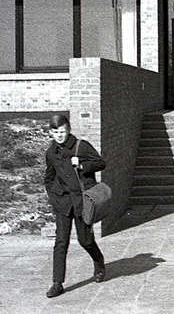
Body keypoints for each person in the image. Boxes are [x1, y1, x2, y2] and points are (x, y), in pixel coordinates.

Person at [43, 114, 106, 298]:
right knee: (61, 242)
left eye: (62, 131)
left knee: (85, 240)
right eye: (55, 132)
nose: (59, 135)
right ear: (50, 132)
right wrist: (53, 199)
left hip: (81, 202)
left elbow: (101, 163)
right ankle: (57, 283)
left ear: (68, 129)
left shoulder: (81, 146)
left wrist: (82, 165)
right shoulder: (51, 153)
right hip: (62, 202)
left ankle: (98, 260)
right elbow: (49, 178)